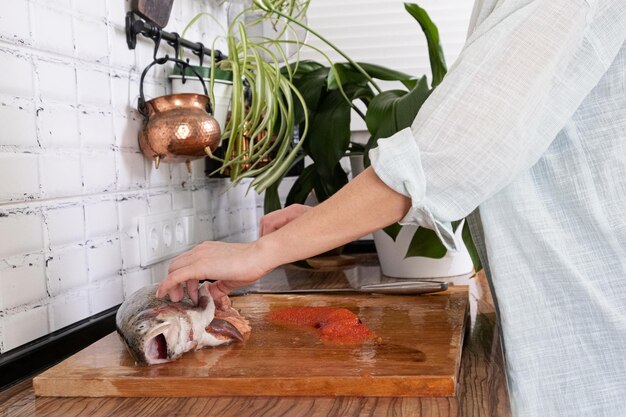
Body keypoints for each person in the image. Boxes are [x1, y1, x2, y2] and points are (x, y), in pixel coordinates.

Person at [157, 0, 626, 415]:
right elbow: (511, 157)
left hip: (595, 337)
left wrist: (260, 252)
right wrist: (324, 223)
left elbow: (455, 154)